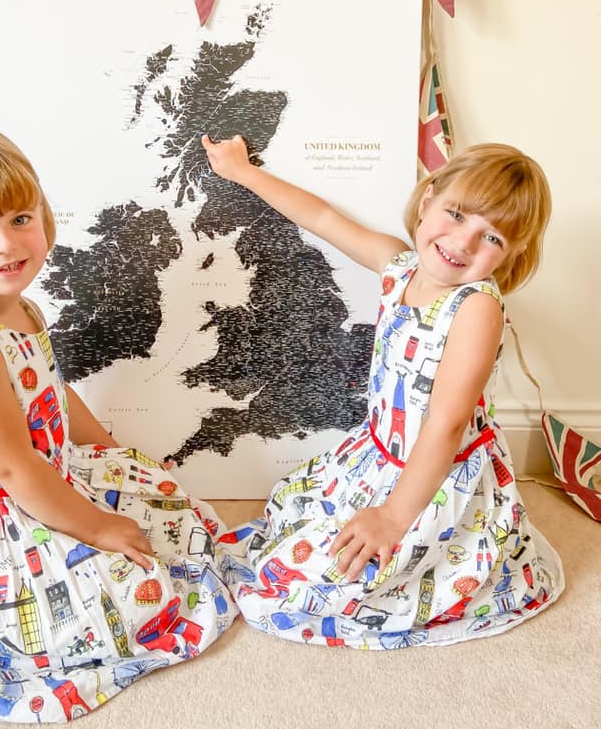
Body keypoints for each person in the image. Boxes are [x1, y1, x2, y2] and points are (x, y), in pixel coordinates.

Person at [0, 126, 236, 721]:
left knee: (172, 516)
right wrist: (97, 528)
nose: (5, 246)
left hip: (44, 473)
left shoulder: (17, 304)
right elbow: (14, 468)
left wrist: (109, 451)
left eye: (20, 219)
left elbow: (49, 390)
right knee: (120, 601)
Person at [203, 134, 563, 650]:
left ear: (512, 255)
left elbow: (445, 426)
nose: (462, 243)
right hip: (380, 454)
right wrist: (242, 172)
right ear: (429, 196)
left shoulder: (477, 307)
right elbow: (323, 219)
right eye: (457, 214)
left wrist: (394, 517)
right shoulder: (398, 265)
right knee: (286, 531)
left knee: (325, 587)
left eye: (492, 239)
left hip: (435, 477)